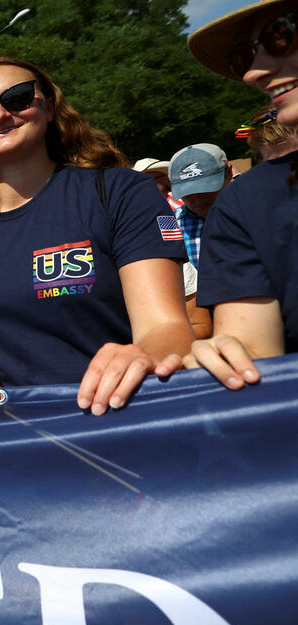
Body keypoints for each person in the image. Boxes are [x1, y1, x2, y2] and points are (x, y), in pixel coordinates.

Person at [0, 57, 193, 414]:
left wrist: (142, 354)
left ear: (49, 106)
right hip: (12, 441)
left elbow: (167, 326)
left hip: (118, 418)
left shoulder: (120, 193)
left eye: (17, 98)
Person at [174, 0, 298, 388]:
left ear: (229, 173)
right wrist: (222, 353)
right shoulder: (247, 205)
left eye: (281, 35)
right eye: (244, 56)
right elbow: (254, 355)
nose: (253, 73)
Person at [169, 143, 231, 269]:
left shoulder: (253, 214)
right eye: (188, 192)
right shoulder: (171, 225)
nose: (197, 197)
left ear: (228, 174)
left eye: (206, 187)